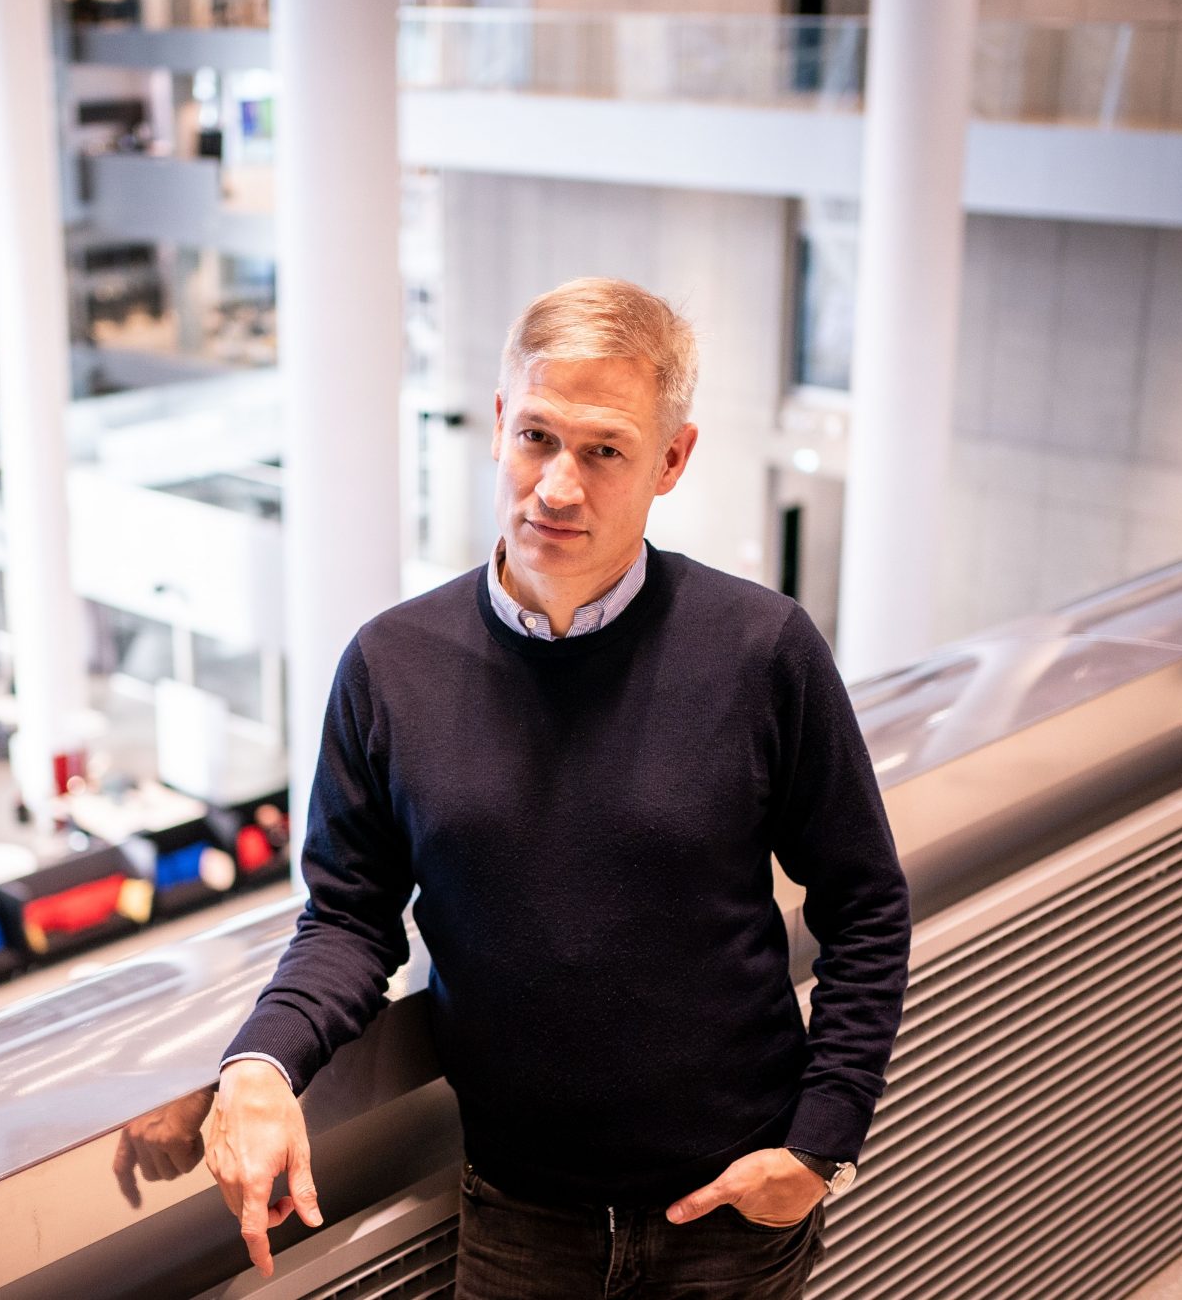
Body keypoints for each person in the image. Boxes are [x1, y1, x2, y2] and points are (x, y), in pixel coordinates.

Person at [205, 278, 911, 1298]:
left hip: (730, 1208)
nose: (556, 485)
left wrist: (819, 1143)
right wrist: (261, 1063)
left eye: (603, 449)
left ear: (671, 459)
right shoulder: (389, 666)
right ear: (497, 424)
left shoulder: (761, 651)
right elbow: (351, 916)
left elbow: (864, 900)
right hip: (517, 1214)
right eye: (536, 435)